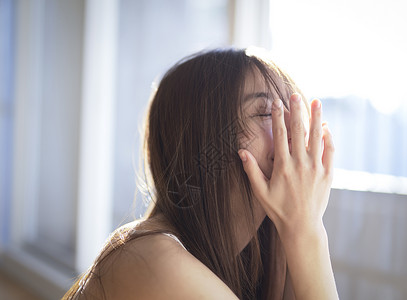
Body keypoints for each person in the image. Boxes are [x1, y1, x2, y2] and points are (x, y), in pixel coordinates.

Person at [63, 47, 339, 300]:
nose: (295, 133)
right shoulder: (152, 258)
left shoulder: (255, 257)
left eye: (295, 114)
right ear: (205, 141)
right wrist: (306, 228)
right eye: (268, 113)